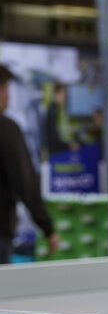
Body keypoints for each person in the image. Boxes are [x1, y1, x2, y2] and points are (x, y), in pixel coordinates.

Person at [0, 65, 59, 263]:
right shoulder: (6, 130)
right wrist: (47, 227)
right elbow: (25, 182)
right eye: (5, 89)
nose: (8, 97)